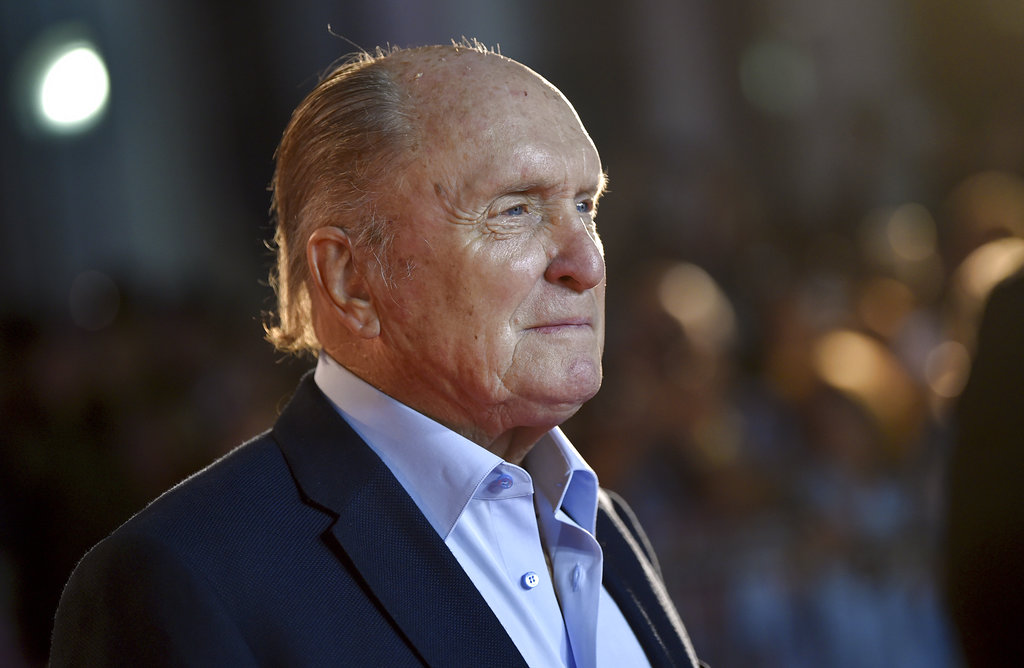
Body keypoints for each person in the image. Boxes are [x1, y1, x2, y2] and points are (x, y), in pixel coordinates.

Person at [50, 41, 704, 667]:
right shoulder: (180, 580)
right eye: (515, 211)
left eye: (587, 207)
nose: (586, 262)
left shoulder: (605, 528)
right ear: (351, 279)